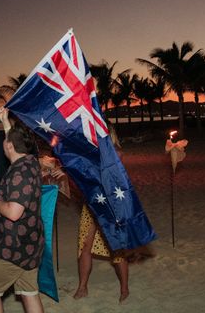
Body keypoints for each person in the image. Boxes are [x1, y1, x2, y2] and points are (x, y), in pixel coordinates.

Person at [0, 107, 45, 313]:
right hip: (32, 244)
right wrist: (6, 121)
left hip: (13, 247)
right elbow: (12, 141)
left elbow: (13, 212)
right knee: (29, 292)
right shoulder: (31, 162)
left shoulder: (18, 173)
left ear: (8, 146)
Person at [73, 127, 130, 303]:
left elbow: (106, 175)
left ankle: (124, 288)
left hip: (111, 206)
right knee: (85, 246)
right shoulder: (90, 151)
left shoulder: (116, 153)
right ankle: (82, 286)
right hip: (92, 204)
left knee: (116, 249)